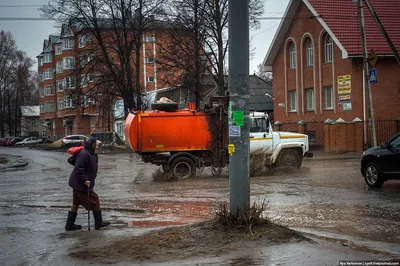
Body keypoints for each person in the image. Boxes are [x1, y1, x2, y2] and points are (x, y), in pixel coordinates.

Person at [65, 137, 110, 230]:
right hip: (81, 183)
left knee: (76, 203)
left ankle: (69, 225)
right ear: (92, 144)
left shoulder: (91, 153)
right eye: (96, 144)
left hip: (78, 183)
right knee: (95, 200)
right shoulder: (84, 154)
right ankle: (99, 222)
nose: (97, 146)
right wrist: (85, 179)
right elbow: (78, 169)